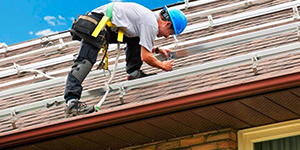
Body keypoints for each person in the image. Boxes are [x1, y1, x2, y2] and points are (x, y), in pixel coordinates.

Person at [64, 2, 187, 117]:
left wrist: (156, 49)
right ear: (167, 24)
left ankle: (134, 72)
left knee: (135, 39)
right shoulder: (151, 24)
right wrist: (163, 66)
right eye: (169, 33)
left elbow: (142, 42)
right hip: (97, 24)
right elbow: (146, 57)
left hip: (105, 24)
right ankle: (72, 103)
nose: (166, 36)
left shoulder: (149, 18)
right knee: (84, 62)